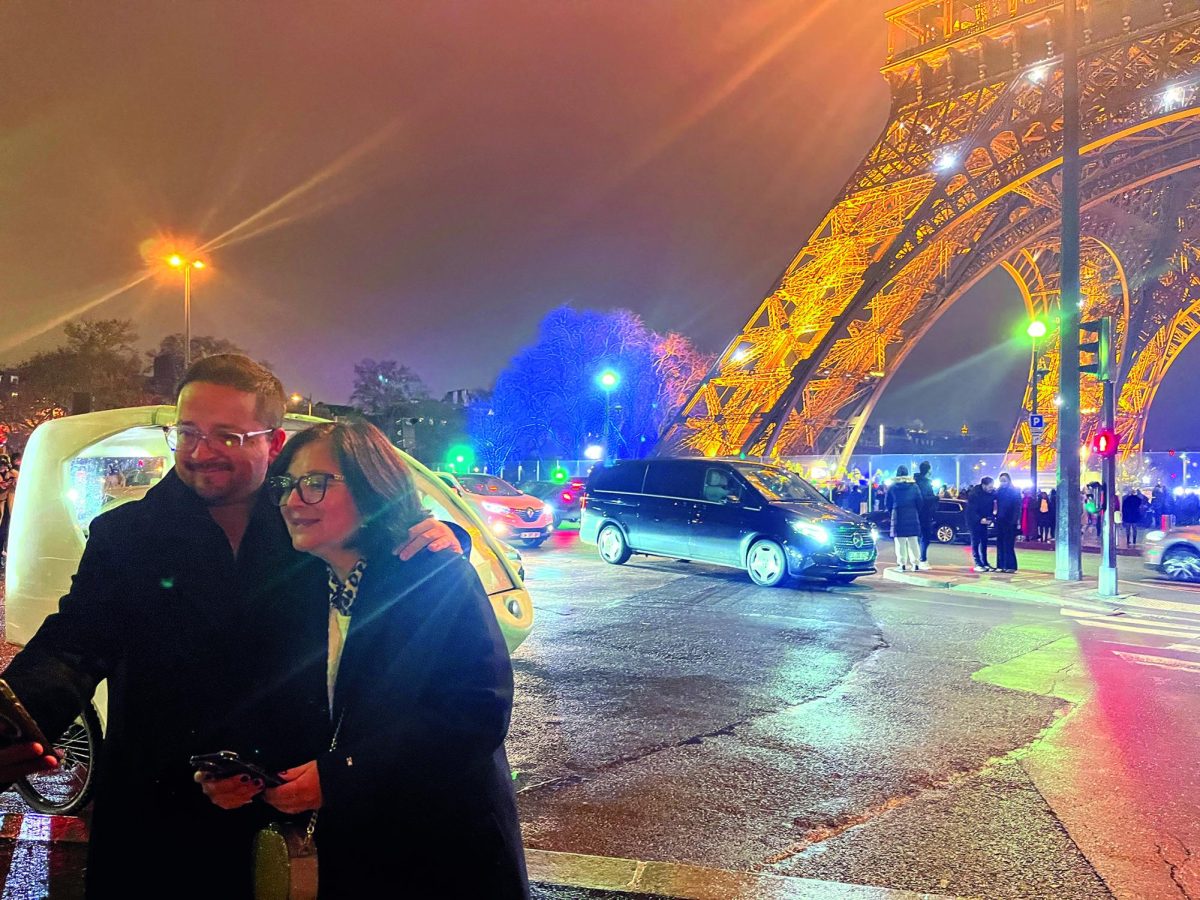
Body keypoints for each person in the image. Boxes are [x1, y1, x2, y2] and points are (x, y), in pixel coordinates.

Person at [0, 356, 460, 898]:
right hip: (158, 809)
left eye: (229, 436)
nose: (201, 452)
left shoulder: (311, 523)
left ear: (273, 440)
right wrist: (18, 715)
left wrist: (444, 534)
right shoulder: (127, 535)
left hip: (287, 801)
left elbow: (389, 541)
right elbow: (74, 643)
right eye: (188, 432)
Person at [205, 421, 529, 898]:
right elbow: (276, 704)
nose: (293, 501)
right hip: (353, 853)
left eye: (315, 483)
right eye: (287, 485)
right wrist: (240, 768)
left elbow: (475, 715)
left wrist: (342, 775)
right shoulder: (300, 585)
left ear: (373, 487)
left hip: (442, 853)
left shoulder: (432, 577)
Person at [886, 466, 923, 571]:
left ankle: (902, 564)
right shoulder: (914, 486)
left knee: (900, 542)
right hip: (912, 515)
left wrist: (892, 511)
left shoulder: (892, 487)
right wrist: (915, 511)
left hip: (898, 515)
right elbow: (920, 502)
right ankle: (915, 564)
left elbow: (887, 503)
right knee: (913, 541)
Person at [966, 476, 996, 572]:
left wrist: (990, 517)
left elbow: (991, 507)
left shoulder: (991, 494)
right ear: (983, 485)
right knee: (976, 541)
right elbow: (971, 510)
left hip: (984, 520)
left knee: (984, 541)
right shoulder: (974, 494)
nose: (991, 488)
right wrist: (979, 519)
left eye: (992, 486)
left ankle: (985, 562)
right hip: (974, 521)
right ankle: (978, 563)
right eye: (990, 486)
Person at [994, 472, 1021, 573]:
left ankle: (1011, 566)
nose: (1003, 483)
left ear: (1009, 480)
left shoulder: (1014, 492)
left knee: (1008, 544)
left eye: (1004, 481)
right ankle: (1000, 565)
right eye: (1001, 481)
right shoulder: (999, 492)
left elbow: (1017, 508)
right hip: (1000, 521)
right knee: (1000, 543)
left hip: (1010, 522)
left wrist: (1015, 521)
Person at [913, 461, 937, 566]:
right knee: (925, 537)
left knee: (918, 536)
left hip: (917, 513)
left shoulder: (916, 481)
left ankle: (918, 558)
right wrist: (936, 497)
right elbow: (924, 498)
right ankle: (922, 559)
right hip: (924, 513)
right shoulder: (925, 483)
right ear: (928, 470)